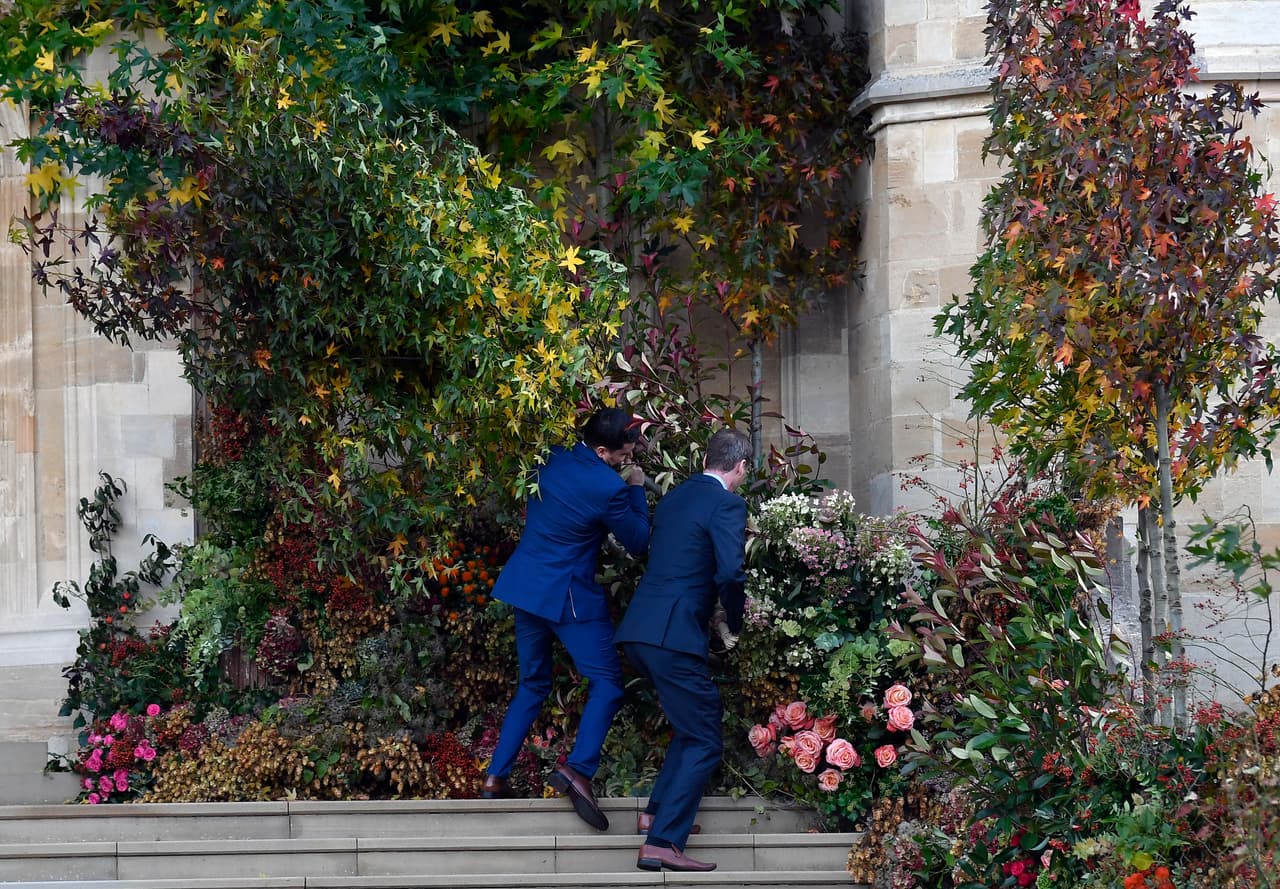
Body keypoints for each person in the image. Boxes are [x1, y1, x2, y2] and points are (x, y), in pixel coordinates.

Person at [480, 407, 650, 832]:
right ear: (600, 449)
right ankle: (578, 770)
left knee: (533, 684)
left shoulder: (548, 458)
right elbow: (639, 542)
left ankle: (494, 776)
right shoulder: (610, 487)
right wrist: (636, 489)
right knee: (609, 684)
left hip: (525, 587)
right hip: (568, 596)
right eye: (623, 453)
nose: (628, 457)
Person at [615, 427, 752, 872]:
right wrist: (733, 618)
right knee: (707, 736)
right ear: (741, 467)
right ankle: (661, 842)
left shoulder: (674, 498)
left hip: (641, 630)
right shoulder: (727, 503)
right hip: (673, 637)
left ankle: (655, 814)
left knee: (691, 727)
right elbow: (731, 573)